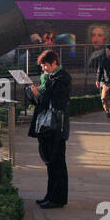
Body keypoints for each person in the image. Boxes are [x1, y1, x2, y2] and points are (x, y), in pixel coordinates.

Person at [27, 48, 72, 208]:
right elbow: (41, 101)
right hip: (48, 128)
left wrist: (38, 94)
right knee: (50, 163)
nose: (44, 68)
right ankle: (50, 195)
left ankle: (57, 198)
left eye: (46, 65)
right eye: (42, 66)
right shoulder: (50, 78)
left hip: (56, 128)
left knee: (57, 162)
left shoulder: (62, 79)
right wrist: (33, 93)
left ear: (54, 63)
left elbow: (54, 102)